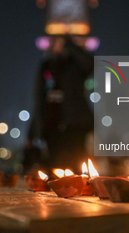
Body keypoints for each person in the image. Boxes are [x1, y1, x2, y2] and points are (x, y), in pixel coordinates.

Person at [25, 36, 94, 173]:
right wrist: (32, 132)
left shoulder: (75, 66)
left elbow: (91, 64)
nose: (59, 45)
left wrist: (70, 45)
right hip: (52, 125)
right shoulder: (45, 66)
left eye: (62, 43)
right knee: (55, 166)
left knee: (77, 164)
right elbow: (39, 99)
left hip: (75, 124)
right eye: (56, 42)